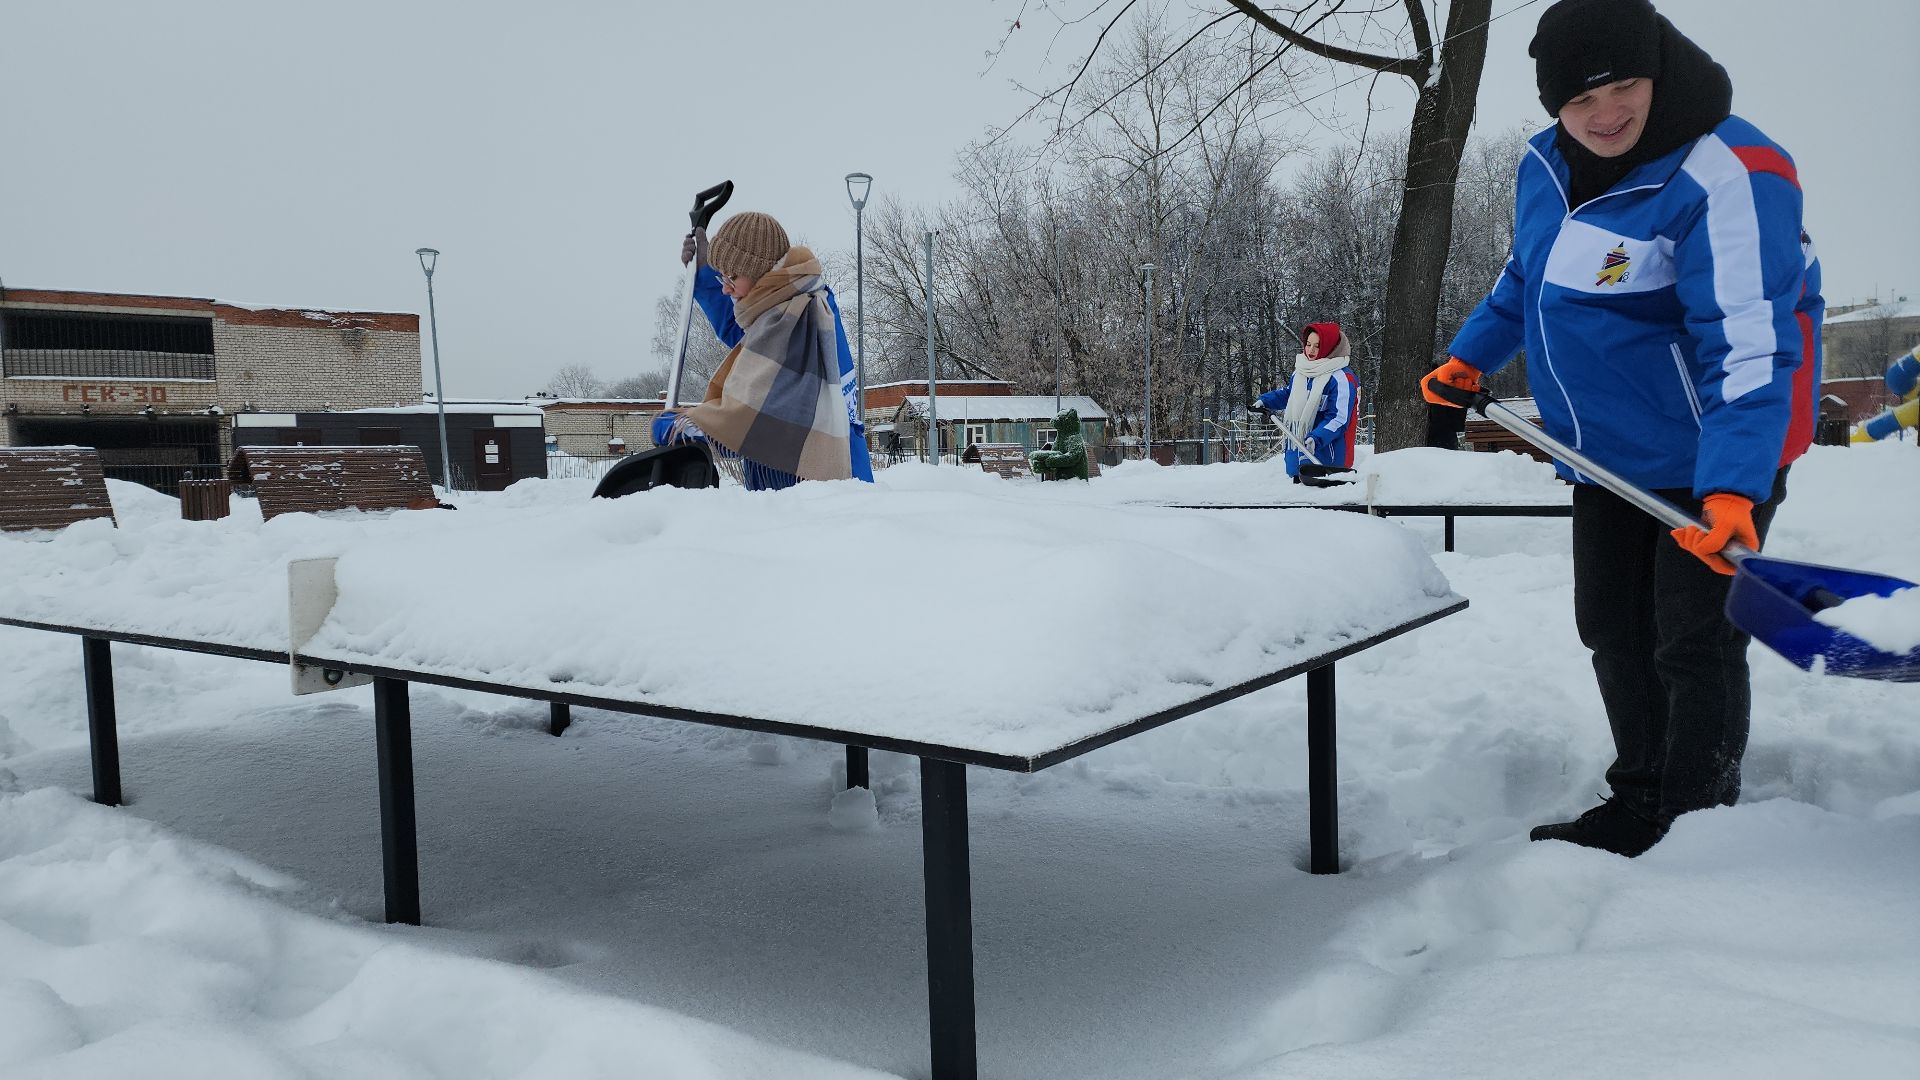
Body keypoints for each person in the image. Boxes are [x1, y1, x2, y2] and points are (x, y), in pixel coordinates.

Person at [1425, 0, 1822, 856]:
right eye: (1579, 100)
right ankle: (1641, 796)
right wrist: (1469, 358)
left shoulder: (1734, 171)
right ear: (1552, 106)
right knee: (1612, 625)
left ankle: (1695, 823)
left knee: (1692, 640)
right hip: (1607, 451)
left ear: (1661, 70)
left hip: (1717, 446)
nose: (1604, 114)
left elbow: (1751, 343)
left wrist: (1734, 485)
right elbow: (1528, 277)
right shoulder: (1545, 161)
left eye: (1625, 87)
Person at [655, 210, 874, 490]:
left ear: (759, 274)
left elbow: (766, 425)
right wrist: (704, 274)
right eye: (723, 278)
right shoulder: (786, 304)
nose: (726, 288)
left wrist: (686, 428)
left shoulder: (803, 318)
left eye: (731, 277)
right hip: (802, 482)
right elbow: (746, 334)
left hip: (822, 489)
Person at [1250, 322, 1359, 480]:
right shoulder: (1302, 371)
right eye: (1308, 344)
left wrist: (1317, 438)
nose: (1311, 350)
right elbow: (1289, 394)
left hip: (1327, 459)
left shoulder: (1341, 378)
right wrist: (1265, 401)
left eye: (1317, 346)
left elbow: (1338, 418)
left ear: (1329, 347)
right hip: (1297, 459)